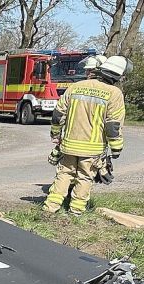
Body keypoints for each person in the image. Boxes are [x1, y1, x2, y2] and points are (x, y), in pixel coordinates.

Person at [43, 56, 130, 216]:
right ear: (117, 76)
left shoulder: (76, 86)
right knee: (84, 178)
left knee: (64, 174)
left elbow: (58, 114)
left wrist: (55, 133)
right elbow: (113, 125)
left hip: (68, 145)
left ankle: (50, 208)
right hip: (92, 149)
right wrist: (116, 148)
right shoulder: (114, 93)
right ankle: (76, 211)